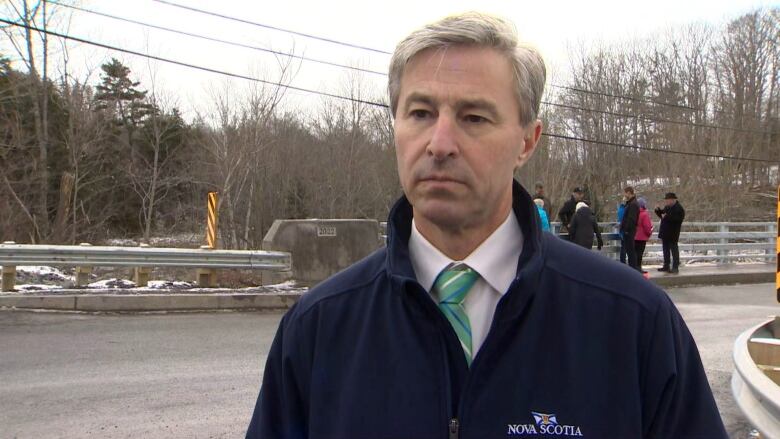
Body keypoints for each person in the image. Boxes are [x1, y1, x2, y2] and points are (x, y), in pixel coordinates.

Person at [247, 13, 726, 439]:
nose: (440, 143)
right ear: (394, 125)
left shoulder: (634, 322)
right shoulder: (317, 329)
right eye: (420, 113)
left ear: (527, 140)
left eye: (473, 117)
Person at [655, 192, 686, 273]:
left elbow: (678, 220)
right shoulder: (667, 207)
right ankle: (666, 265)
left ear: (672, 200)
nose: (666, 201)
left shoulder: (679, 208)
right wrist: (658, 210)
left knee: (674, 250)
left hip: (673, 233)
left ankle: (675, 267)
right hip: (665, 232)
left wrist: (667, 216)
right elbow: (662, 216)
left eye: (667, 200)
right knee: (665, 249)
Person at [620, 186, 640, 271]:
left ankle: (633, 269)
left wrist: (626, 230)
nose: (624, 195)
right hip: (628, 231)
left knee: (631, 251)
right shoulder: (630, 203)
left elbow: (631, 219)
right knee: (630, 250)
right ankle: (633, 268)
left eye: (625, 193)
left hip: (629, 231)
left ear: (629, 193)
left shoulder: (633, 204)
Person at [635, 197, 654, 273]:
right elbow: (647, 227)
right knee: (640, 253)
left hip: (634, 236)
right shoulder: (644, 214)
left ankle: (634, 267)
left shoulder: (635, 213)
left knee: (635, 253)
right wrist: (649, 233)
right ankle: (638, 268)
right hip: (642, 237)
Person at [617, 197, 627, 263]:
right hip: (625, 230)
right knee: (624, 248)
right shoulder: (625, 210)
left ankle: (622, 262)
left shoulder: (620, 209)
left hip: (621, 230)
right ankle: (623, 262)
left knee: (623, 247)